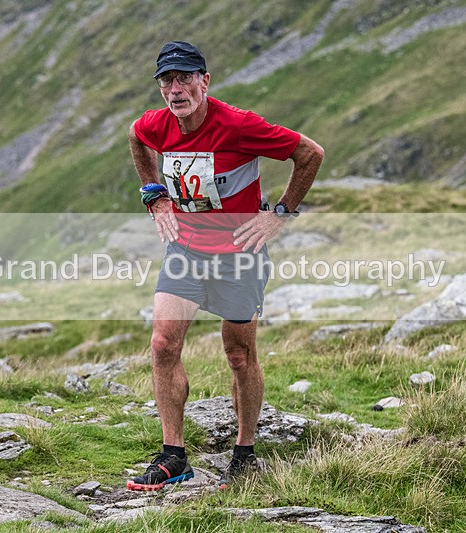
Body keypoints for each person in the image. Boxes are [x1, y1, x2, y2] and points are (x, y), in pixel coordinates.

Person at [127, 41, 324, 491]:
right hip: (186, 252)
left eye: (184, 79)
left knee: (238, 355)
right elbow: (136, 138)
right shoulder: (157, 124)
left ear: (204, 80)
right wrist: (154, 195)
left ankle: (245, 452)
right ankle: (174, 455)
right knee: (162, 344)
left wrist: (280, 214)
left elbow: (311, 153)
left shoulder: (238, 125)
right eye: (166, 81)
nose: (176, 90)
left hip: (240, 254)